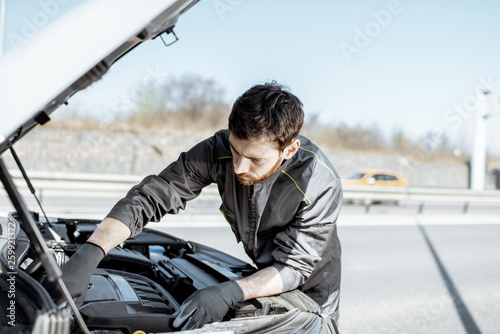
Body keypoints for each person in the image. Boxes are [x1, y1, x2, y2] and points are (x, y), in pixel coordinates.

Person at [57, 81, 343, 330]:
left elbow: (294, 267)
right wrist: (90, 254)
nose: (239, 167)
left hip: (312, 291)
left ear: (289, 150)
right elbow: (152, 195)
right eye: (235, 151)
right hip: (261, 272)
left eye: (255, 159)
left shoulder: (318, 183)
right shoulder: (217, 150)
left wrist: (229, 293)